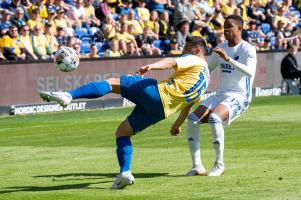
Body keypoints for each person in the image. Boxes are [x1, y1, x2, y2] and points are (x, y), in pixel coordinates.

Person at [39, 36, 209, 189]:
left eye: (186, 48)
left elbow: (171, 62)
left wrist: (151, 66)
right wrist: (177, 125)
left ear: (197, 49)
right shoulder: (205, 80)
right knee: (122, 132)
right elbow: (188, 106)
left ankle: (69, 95)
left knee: (112, 83)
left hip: (157, 92)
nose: (183, 51)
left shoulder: (194, 59)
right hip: (161, 111)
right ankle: (124, 173)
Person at [185, 15, 257, 177]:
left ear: (240, 29)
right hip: (221, 94)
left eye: (229, 27)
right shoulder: (221, 47)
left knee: (215, 118)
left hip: (240, 96)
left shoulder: (247, 49)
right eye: (224, 27)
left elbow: (250, 72)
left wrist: (228, 59)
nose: (225, 30)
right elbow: (208, 69)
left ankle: (219, 164)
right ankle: (197, 166)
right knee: (192, 119)